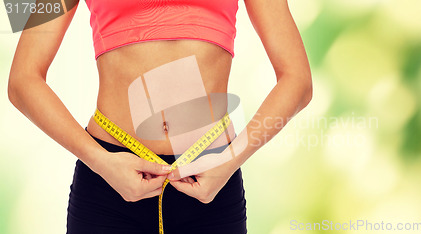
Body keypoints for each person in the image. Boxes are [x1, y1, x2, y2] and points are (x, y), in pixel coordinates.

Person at [8, 0, 312, 233]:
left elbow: (298, 80)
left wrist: (232, 158)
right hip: (108, 180)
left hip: (214, 178)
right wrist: (99, 161)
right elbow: (22, 80)